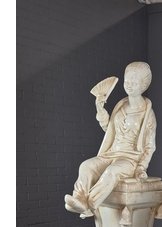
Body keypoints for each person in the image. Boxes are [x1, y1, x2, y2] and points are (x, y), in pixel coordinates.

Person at [65, 61, 156, 218]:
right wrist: (101, 111)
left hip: (130, 160)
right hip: (111, 153)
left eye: (134, 82)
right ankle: (79, 199)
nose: (129, 85)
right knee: (86, 166)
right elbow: (110, 131)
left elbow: (149, 146)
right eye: (127, 80)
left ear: (144, 86)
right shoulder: (120, 106)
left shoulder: (148, 114)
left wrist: (141, 167)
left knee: (111, 173)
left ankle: (90, 204)